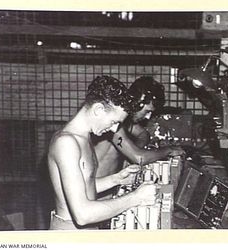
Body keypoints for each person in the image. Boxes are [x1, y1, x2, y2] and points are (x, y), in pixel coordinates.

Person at [48, 76, 158, 230]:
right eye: (114, 122)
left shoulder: (84, 137)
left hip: (87, 230)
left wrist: (116, 179)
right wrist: (136, 197)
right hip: (70, 234)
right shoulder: (66, 143)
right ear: (98, 109)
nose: (114, 129)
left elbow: (85, 187)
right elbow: (82, 215)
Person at [94, 76, 185, 193]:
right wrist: (169, 150)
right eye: (147, 111)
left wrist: (131, 151)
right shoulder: (114, 123)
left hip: (110, 186)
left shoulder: (127, 122)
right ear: (138, 102)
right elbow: (140, 158)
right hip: (97, 189)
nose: (148, 117)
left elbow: (143, 134)